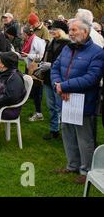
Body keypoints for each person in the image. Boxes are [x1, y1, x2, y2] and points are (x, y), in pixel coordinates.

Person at [51, 18, 104, 184]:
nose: (71, 33)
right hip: (66, 100)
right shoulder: (67, 47)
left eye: (74, 30)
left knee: (84, 138)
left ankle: (86, 170)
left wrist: (65, 86)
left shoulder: (97, 52)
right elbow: (55, 68)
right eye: (70, 30)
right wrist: (58, 86)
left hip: (84, 102)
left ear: (85, 32)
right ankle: (72, 165)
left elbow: (92, 78)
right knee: (67, 133)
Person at [40, 21, 70, 140]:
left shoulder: (67, 45)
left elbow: (67, 64)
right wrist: (42, 64)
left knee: (61, 107)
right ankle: (54, 130)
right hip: (48, 79)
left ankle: (66, 132)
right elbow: (45, 56)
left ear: (61, 31)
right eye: (51, 29)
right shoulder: (52, 42)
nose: (51, 31)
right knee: (51, 106)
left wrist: (50, 65)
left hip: (60, 81)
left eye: (55, 29)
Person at [20, 27, 46, 122]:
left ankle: (39, 114)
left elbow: (41, 56)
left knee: (37, 91)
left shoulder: (36, 40)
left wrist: (27, 55)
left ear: (26, 34)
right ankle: (38, 112)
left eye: (22, 33)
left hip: (37, 70)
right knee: (34, 92)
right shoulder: (28, 41)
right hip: (30, 68)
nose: (21, 35)